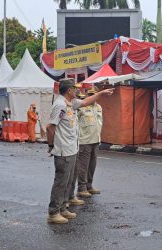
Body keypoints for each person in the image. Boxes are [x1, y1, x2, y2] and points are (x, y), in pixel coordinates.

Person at [46, 78, 113, 224]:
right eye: (75, 88)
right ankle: (53, 212)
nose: (77, 91)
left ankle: (63, 208)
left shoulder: (71, 103)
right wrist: (51, 146)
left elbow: (86, 101)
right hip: (63, 150)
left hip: (72, 148)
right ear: (69, 90)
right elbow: (50, 127)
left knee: (69, 181)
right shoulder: (60, 105)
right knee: (61, 182)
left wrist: (101, 93)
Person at [71, 87, 103, 200]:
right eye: (90, 94)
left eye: (94, 94)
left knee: (92, 166)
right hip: (84, 141)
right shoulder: (82, 107)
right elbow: (75, 122)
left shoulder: (99, 107)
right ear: (87, 95)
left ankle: (89, 185)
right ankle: (81, 188)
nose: (92, 96)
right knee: (83, 166)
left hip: (95, 140)